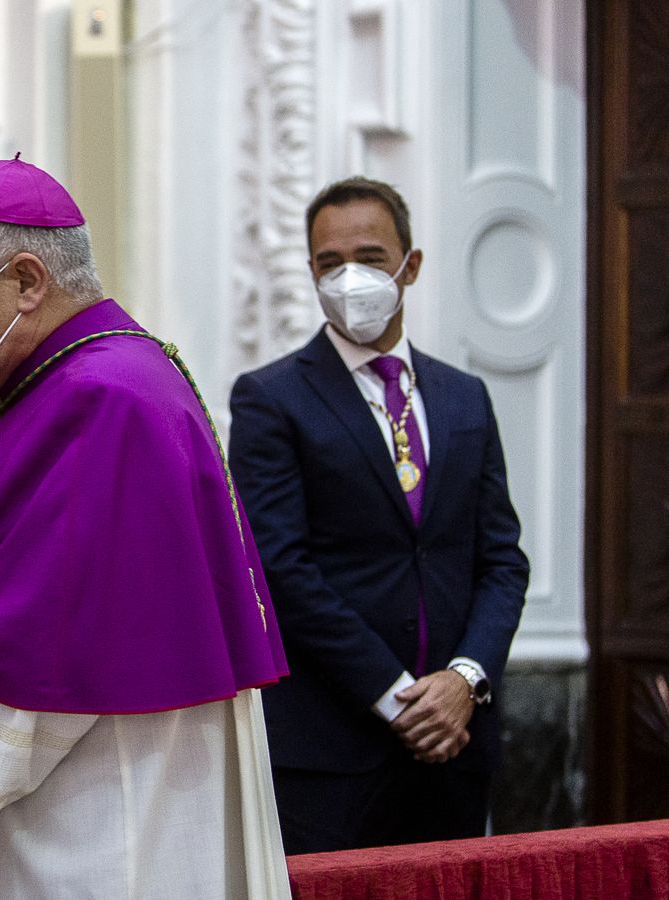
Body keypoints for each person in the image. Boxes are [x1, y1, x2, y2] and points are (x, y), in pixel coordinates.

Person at [0, 156, 293, 900]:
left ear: (28, 282)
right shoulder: (100, 375)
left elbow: (31, 657)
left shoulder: (97, 401)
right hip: (100, 789)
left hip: (93, 821)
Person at [228, 176, 529, 853]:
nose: (350, 277)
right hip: (332, 747)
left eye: (369, 256)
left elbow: (502, 560)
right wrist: (396, 697)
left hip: (454, 744)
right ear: (310, 272)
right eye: (330, 263)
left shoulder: (464, 398)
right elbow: (280, 566)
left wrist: (464, 680)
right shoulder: (270, 399)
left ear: (409, 266)